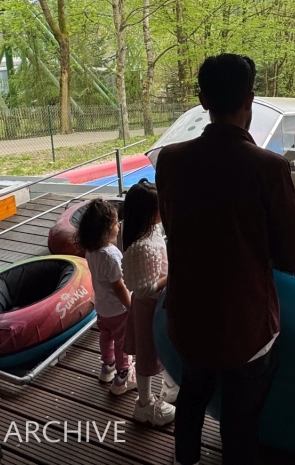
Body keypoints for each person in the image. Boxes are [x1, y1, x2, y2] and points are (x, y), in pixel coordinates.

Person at [156, 54, 295, 465]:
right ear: (250, 100)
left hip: (187, 318)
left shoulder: (169, 160)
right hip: (246, 327)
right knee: (241, 419)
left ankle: (184, 459)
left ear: (203, 101)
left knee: (193, 393)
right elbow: (291, 257)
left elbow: (175, 227)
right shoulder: (269, 167)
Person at [121, 179, 178, 427]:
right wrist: (171, 277)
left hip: (158, 304)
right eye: (159, 207)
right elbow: (143, 289)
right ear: (148, 213)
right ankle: (144, 404)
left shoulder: (152, 231)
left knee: (162, 349)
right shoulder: (140, 248)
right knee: (146, 358)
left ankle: (168, 385)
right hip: (148, 308)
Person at [77, 199, 135, 396]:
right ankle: (122, 374)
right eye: (115, 223)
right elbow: (119, 286)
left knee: (106, 336)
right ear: (105, 230)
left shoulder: (90, 251)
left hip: (102, 307)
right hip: (118, 309)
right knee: (121, 341)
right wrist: (130, 307)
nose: (118, 226)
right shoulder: (111, 255)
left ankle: (107, 366)